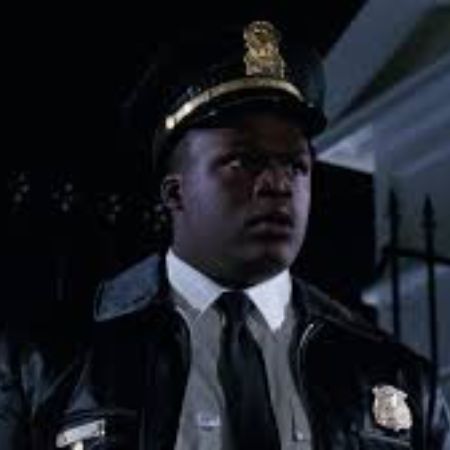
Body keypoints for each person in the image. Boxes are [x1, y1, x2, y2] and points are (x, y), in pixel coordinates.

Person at [1, 19, 449, 450]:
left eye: (296, 166)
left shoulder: (394, 375)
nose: (278, 184)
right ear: (175, 193)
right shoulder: (48, 362)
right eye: (244, 161)